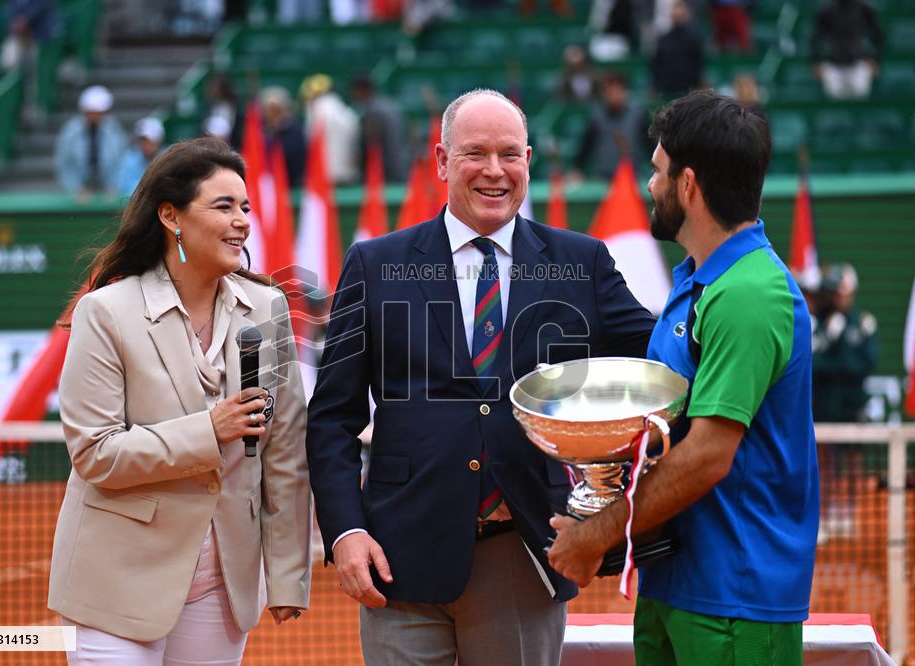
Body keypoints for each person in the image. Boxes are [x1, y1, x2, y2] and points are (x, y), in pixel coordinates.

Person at [306, 89, 656, 665]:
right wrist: (344, 531)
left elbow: (656, 359)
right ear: (441, 161)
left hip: (524, 555)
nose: (494, 171)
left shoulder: (584, 263)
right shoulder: (374, 265)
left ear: (528, 161)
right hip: (399, 559)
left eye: (510, 154)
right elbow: (332, 418)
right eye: (476, 154)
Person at [548, 90, 820, 665]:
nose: (651, 185)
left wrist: (598, 535)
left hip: (734, 599)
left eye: (657, 171)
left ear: (688, 185)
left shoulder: (748, 294)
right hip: (675, 582)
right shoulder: (700, 281)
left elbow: (706, 456)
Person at [48, 137, 312, 665]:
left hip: (222, 588)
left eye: (245, 208)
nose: (241, 221)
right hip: (115, 583)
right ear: (171, 216)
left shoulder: (267, 307)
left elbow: (286, 452)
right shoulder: (105, 312)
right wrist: (209, 429)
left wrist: (286, 575)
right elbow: (95, 453)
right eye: (222, 206)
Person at [812, 263, 878, 541]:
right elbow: (814, 363)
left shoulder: (864, 323)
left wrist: (838, 364)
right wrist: (830, 337)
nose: (839, 298)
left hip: (853, 406)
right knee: (825, 463)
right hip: (825, 407)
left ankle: (847, 514)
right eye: (834, 293)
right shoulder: (819, 324)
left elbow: (866, 362)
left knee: (852, 462)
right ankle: (825, 516)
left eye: (843, 293)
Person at [569, 71, 653, 182]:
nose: (614, 95)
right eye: (610, 90)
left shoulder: (638, 115)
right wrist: (577, 169)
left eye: (618, 90)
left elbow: (650, 147)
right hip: (602, 178)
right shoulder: (596, 117)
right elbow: (585, 147)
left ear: (625, 91)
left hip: (631, 178)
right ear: (604, 93)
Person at [54, 85, 128, 200]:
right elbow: (64, 164)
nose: (96, 115)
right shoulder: (70, 132)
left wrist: (114, 186)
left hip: (109, 193)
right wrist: (76, 188)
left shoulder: (114, 129)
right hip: (78, 195)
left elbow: (121, 161)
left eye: (100, 112)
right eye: (92, 112)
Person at [810, 0, 883, 100]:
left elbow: (878, 35)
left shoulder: (864, 9)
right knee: (834, 107)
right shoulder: (826, 10)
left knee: (860, 102)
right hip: (833, 66)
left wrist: (875, 59)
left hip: (859, 65)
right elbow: (815, 38)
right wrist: (815, 62)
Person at [300, 73, 360, 184]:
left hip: (322, 176)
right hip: (347, 176)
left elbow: (310, 141)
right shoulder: (347, 112)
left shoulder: (316, 109)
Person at [350, 75, 409, 184]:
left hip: (385, 174)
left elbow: (371, 146)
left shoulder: (372, 112)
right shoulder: (393, 106)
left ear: (361, 90)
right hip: (403, 168)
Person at [651, 0, 704, 98]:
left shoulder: (694, 39)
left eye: (680, 14)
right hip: (667, 91)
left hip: (688, 90)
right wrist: (656, 86)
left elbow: (699, 64)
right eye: (675, 14)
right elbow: (656, 64)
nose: (678, 16)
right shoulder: (664, 39)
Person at [115, 116, 166, 196]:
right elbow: (122, 186)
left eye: (148, 141)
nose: (145, 145)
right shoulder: (129, 158)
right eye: (142, 140)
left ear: (158, 141)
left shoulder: (168, 158)